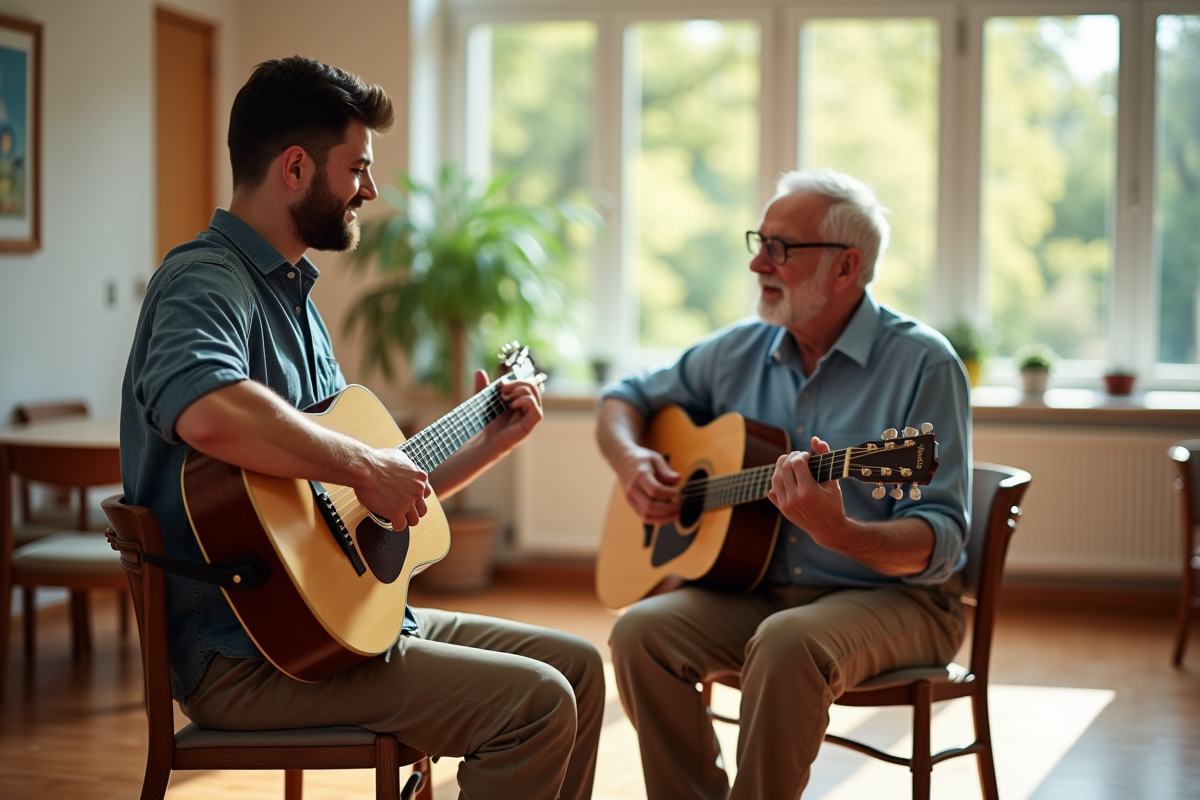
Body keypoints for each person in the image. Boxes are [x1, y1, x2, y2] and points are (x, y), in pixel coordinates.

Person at [120, 56, 602, 800]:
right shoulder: (204, 279)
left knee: (580, 668)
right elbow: (207, 406)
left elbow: (360, 504)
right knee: (534, 705)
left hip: (328, 632)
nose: (370, 190)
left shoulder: (296, 303)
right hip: (250, 656)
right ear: (294, 168)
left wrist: (486, 442)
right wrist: (361, 464)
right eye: (359, 167)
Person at [597, 167, 971, 799]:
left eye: (781, 249)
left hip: (900, 600)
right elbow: (622, 398)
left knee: (786, 642)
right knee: (639, 633)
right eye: (759, 242)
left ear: (846, 267)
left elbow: (940, 541)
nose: (757, 266)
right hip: (759, 588)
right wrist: (634, 460)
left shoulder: (924, 364)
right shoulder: (737, 350)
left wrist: (841, 531)